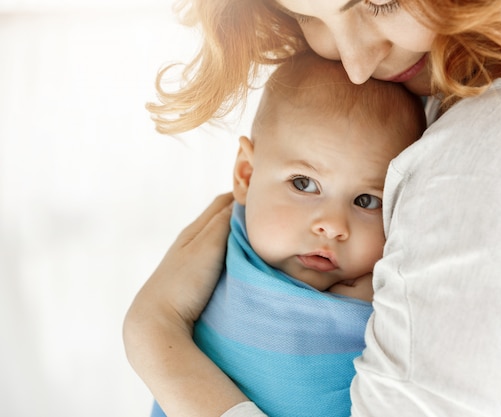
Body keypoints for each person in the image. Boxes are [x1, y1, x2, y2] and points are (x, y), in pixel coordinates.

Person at [124, 0, 501, 416]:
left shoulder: (497, 189)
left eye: (379, 3)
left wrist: (153, 335)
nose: (356, 64)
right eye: (310, 16)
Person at [140, 51, 426, 417]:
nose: (333, 225)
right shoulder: (213, 247)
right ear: (246, 174)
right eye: (304, 184)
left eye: (366, 200)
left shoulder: (395, 294)